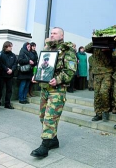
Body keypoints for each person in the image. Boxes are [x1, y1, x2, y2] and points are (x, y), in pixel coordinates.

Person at [30, 27, 77, 158]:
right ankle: (54, 140)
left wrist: (57, 80)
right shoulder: (47, 49)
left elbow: (70, 71)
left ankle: (44, 146)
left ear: (61, 36)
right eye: (51, 33)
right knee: (42, 117)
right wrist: (36, 75)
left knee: (50, 118)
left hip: (57, 90)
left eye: (55, 33)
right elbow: (40, 65)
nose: (51, 35)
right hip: (45, 89)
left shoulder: (68, 51)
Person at [85, 42, 113, 122]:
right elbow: (86, 48)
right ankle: (98, 113)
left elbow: (115, 55)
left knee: (103, 92)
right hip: (97, 73)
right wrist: (95, 40)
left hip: (107, 72)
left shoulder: (108, 44)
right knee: (97, 94)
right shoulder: (95, 46)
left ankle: (105, 111)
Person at [0, 41, 17, 110]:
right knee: (0, 90)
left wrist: (12, 70)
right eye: (10, 46)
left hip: (10, 75)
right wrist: (7, 69)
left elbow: (15, 64)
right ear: (6, 46)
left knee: (9, 90)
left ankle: (7, 103)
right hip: (2, 75)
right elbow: (0, 64)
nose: (11, 48)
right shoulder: (1, 54)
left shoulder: (13, 55)